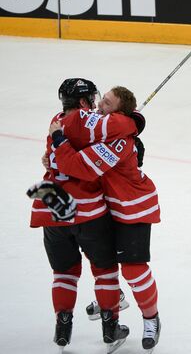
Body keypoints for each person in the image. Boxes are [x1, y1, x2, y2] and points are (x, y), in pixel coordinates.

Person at [49, 85, 162, 351]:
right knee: (106, 264)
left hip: (132, 209)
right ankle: (112, 298)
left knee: (133, 270)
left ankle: (151, 319)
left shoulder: (120, 139)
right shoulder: (108, 128)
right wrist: (51, 157)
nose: (100, 106)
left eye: (107, 104)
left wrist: (58, 142)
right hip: (106, 208)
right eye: (102, 101)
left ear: (119, 114)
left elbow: (79, 167)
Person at [29, 78, 131, 351]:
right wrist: (133, 122)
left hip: (51, 209)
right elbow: (118, 129)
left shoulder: (56, 119)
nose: (97, 104)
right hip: (86, 209)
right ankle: (110, 329)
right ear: (85, 102)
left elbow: (51, 157)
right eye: (93, 99)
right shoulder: (92, 121)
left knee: (63, 272)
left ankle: (63, 327)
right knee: (105, 272)